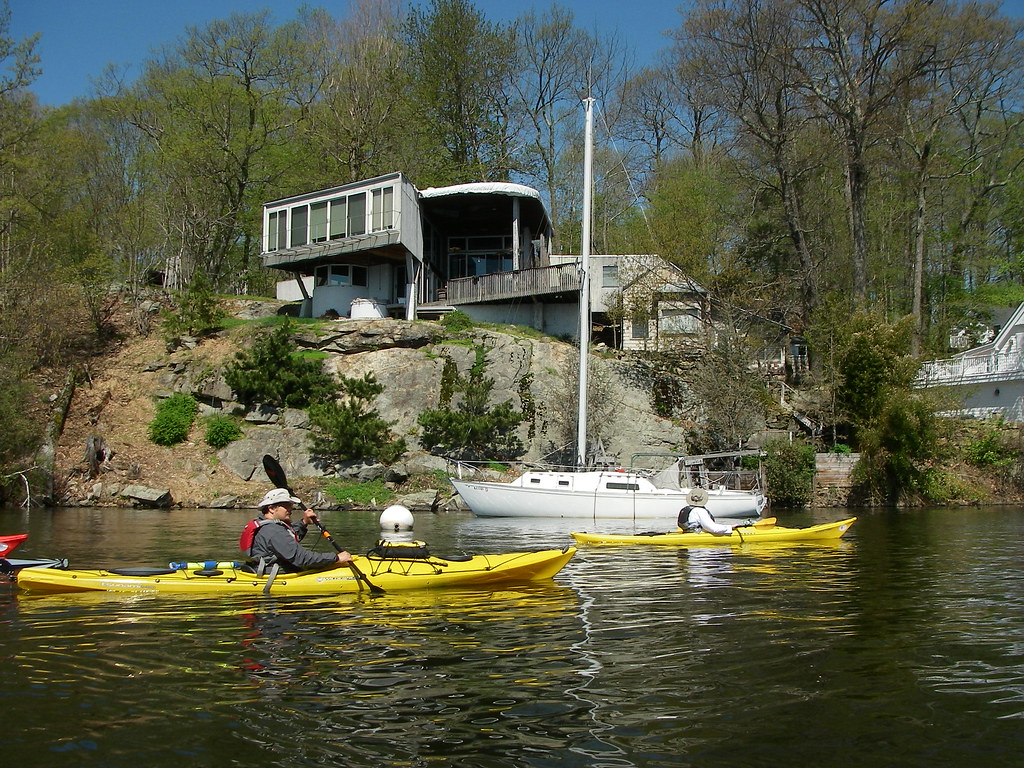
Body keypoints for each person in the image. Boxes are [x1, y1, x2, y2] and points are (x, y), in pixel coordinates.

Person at [241, 488, 354, 572]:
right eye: (286, 506)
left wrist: (304, 523)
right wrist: (336, 558)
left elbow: (288, 538)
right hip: (277, 576)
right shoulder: (273, 531)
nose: (291, 509)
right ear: (271, 509)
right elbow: (302, 559)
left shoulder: (266, 525)